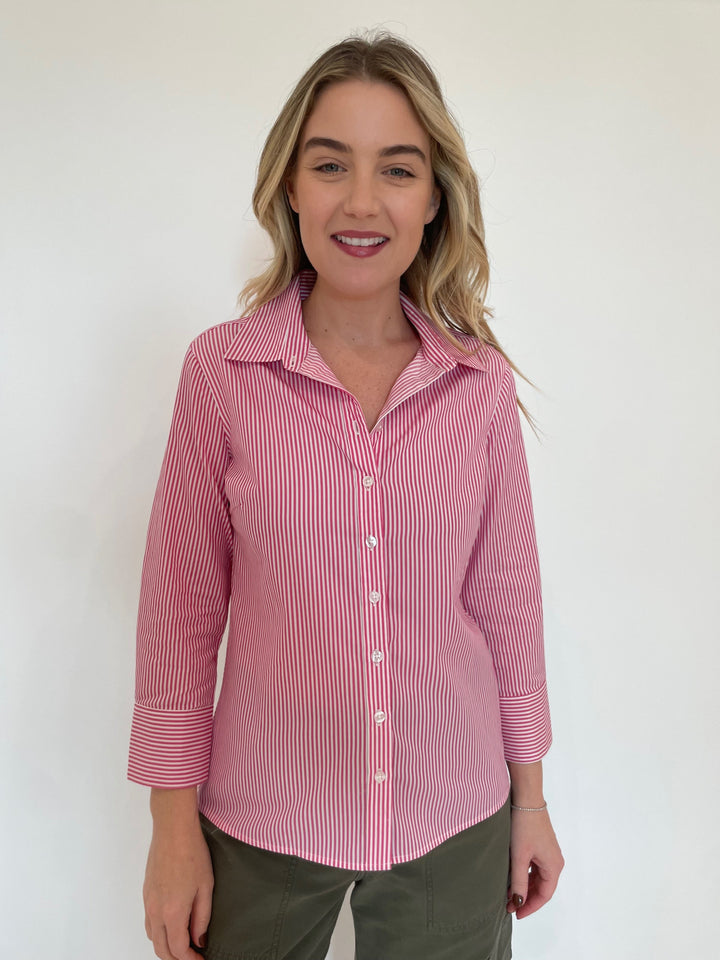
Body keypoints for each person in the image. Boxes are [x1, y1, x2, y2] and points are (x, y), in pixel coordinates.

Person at [129, 31, 564, 960]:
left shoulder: (478, 385)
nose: (362, 202)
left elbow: (507, 605)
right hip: (262, 823)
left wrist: (530, 801)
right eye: (331, 164)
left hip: (455, 819)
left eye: (397, 169)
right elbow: (180, 612)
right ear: (290, 185)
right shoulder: (222, 373)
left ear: (434, 197)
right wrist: (172, 832)